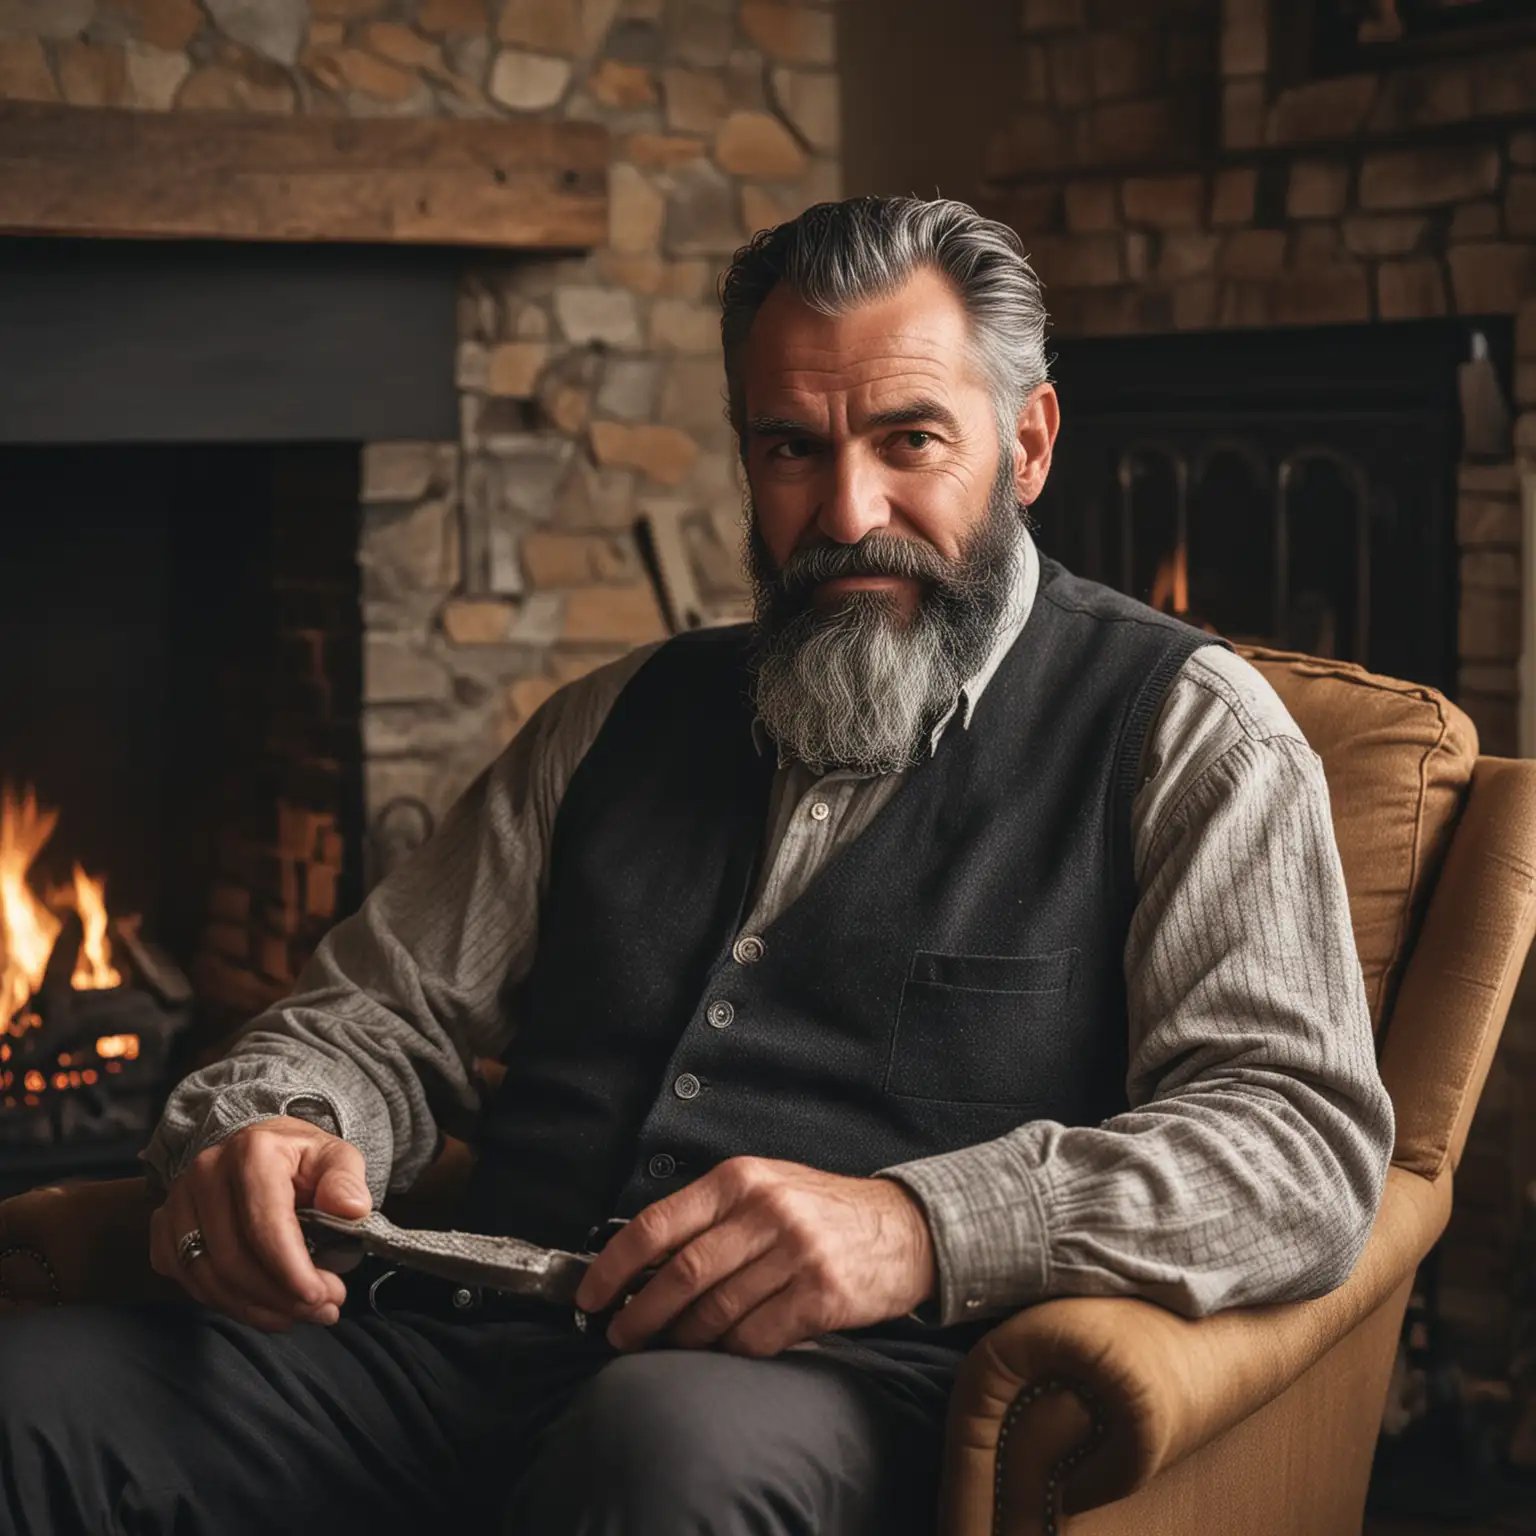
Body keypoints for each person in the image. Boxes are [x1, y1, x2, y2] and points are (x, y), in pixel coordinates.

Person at [0, 196, 1394, 1536]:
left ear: (1027, 444)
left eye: (910, 440)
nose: (848, 510)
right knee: (29, 1404)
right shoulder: (615, 719)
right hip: (449, 1348)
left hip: (832, 1396)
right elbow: (374, 1016)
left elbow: (1302, 1147)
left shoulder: (1189, 734)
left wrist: (921, 1224)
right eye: (791, 448)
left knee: (656, 1462)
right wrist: (279, 1122)